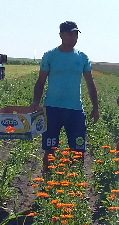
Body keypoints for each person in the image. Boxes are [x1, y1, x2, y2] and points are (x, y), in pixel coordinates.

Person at [30, 21, 99, 172]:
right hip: (52, 109)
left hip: (75, 110)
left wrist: (95, 107)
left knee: (79, 149)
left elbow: (90, 84)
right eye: (70, 34)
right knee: (50, 148)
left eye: (76, 34)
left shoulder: (82, 57)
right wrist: (36, 101)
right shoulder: (50, 56)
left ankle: (77, 181)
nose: (74, 37)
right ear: (61, 35)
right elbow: (40, 82)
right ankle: (47, 181)